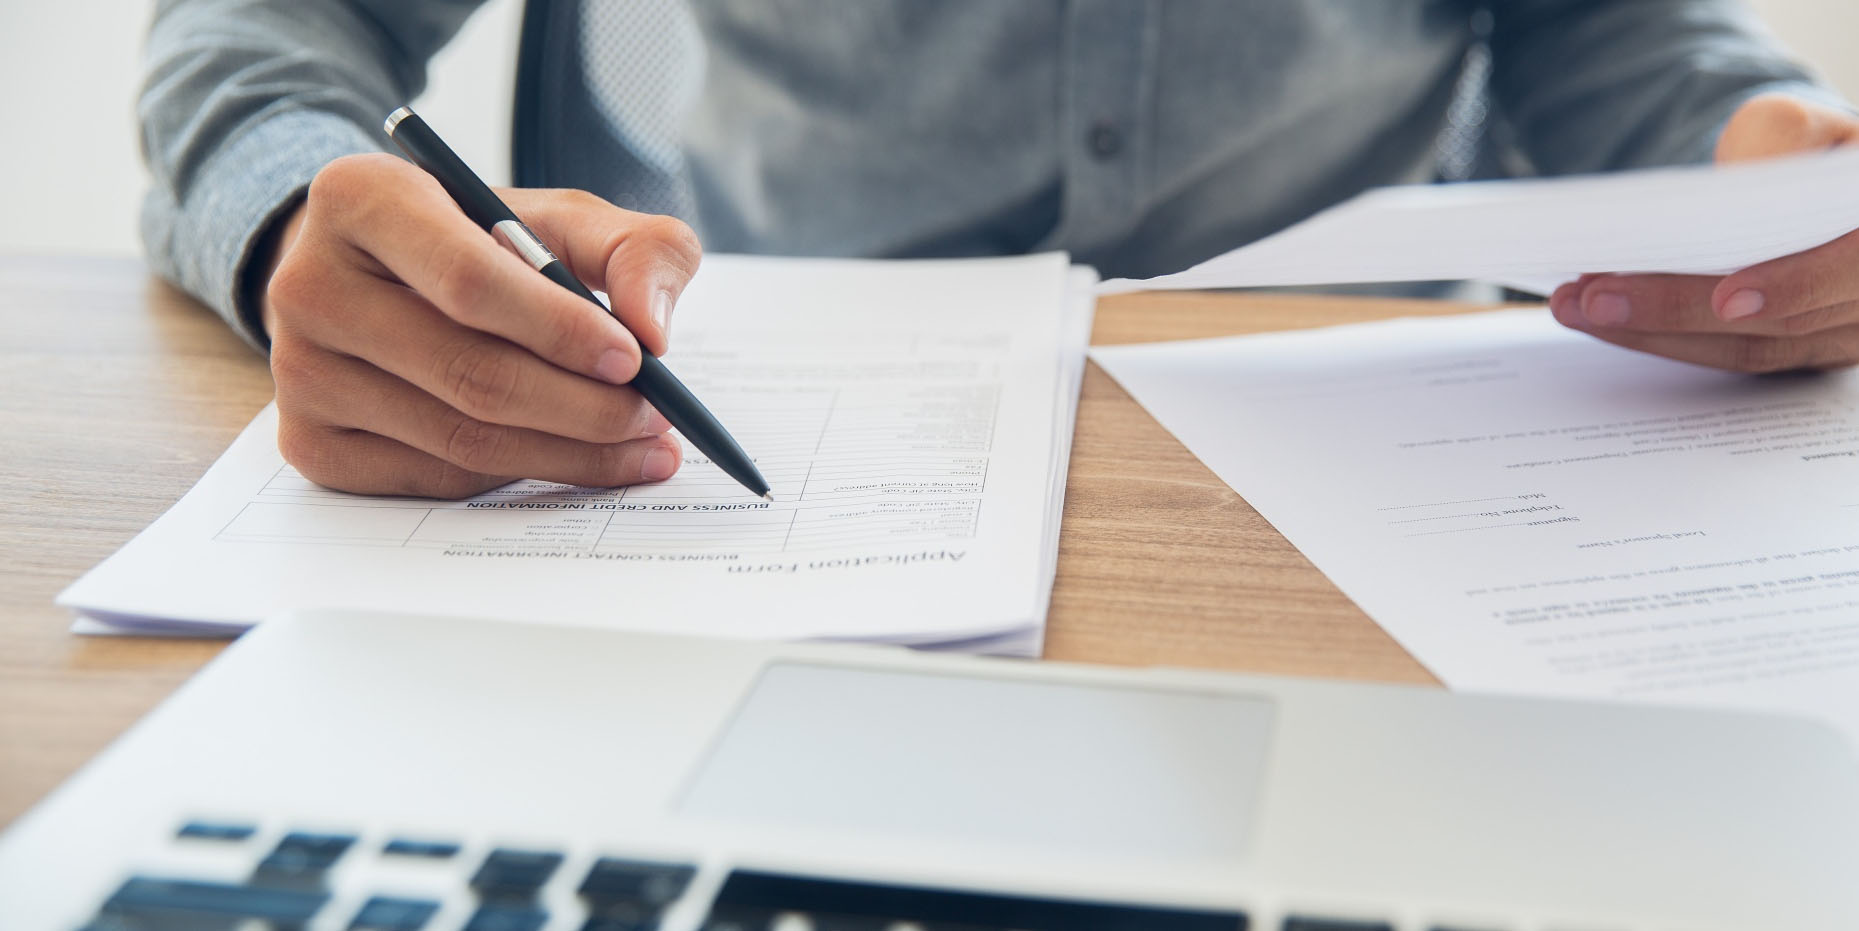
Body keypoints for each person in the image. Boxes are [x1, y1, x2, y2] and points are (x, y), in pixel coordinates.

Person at [140, 1, 1859, 499]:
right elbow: (268, 26)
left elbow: (1594, 26)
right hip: (803, 435)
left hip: (1375, 443)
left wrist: (1761, 147)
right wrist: (307, 216)